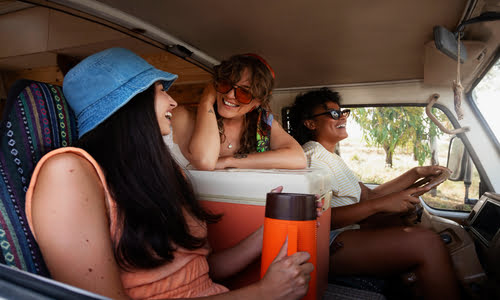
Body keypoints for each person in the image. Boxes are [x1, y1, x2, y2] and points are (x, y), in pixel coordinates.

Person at [25, 48, 314, 300]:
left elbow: (200, 269)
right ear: (131, 101)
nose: (173, 103)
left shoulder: (168, 174)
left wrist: (267, 232)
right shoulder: (68, 172)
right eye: (162, 90)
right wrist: (262, 293)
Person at [288, 88, 460, 300]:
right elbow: (320, 218)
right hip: (327, 244)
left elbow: (368, 195)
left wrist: (415, 174)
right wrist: (381, 205)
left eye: (342, 112)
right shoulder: (314, 157)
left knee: (406, 229)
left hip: (343, 235)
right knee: (427, 242)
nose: (342, 117)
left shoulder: (329, 156)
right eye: (333, 114)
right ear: (310, 123)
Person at [169, 54, 306, 170]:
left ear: (258, 101)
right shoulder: (184, 115)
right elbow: (204, 161)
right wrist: (206, 102)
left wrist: (230, 161)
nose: (229, 95)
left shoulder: (262, 125)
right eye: (225, 84)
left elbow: (299, 158)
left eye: (244, 92)